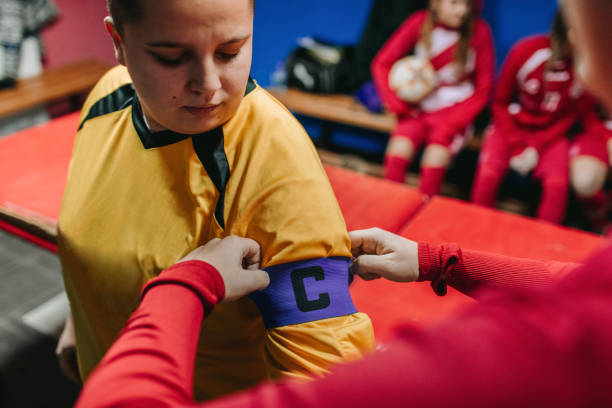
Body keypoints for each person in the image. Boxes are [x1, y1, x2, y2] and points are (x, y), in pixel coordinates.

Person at [57, 0, 374, 399]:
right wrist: (81, 319)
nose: (208, 84)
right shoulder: (108, 96)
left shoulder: (271, 160)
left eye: (230, 51)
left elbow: (323, 378)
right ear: (119, 43)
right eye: (171, 57)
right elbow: (97, 220)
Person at [470, 10, 588, 224]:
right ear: (571, 32)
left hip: (551, 133)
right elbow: (500, 102)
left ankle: (544, 249)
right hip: (511, 126)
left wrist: (537, 147)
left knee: (557, 185)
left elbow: (571, 116)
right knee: (488, 174)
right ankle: (475, 230)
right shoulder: (526, 51)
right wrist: (517, 146)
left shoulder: (585, 67)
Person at [371, 0, 494, 197]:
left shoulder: (479, 31)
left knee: (434, 159)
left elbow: (484, 89)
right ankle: (390, 207)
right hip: (418, 108)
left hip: (455, 112)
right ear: (436, 3)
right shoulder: (419, 22)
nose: (462, 11)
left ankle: (423, 215)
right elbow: (382, 63)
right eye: (454, 3)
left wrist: (453, 123)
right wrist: (398, 104)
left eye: (467, 5)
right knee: (397, 154)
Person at [569, 103, 612, 231]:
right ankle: (600, 222)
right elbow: (584, 111)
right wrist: (608, 139)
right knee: (585, 180)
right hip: (595, 131)